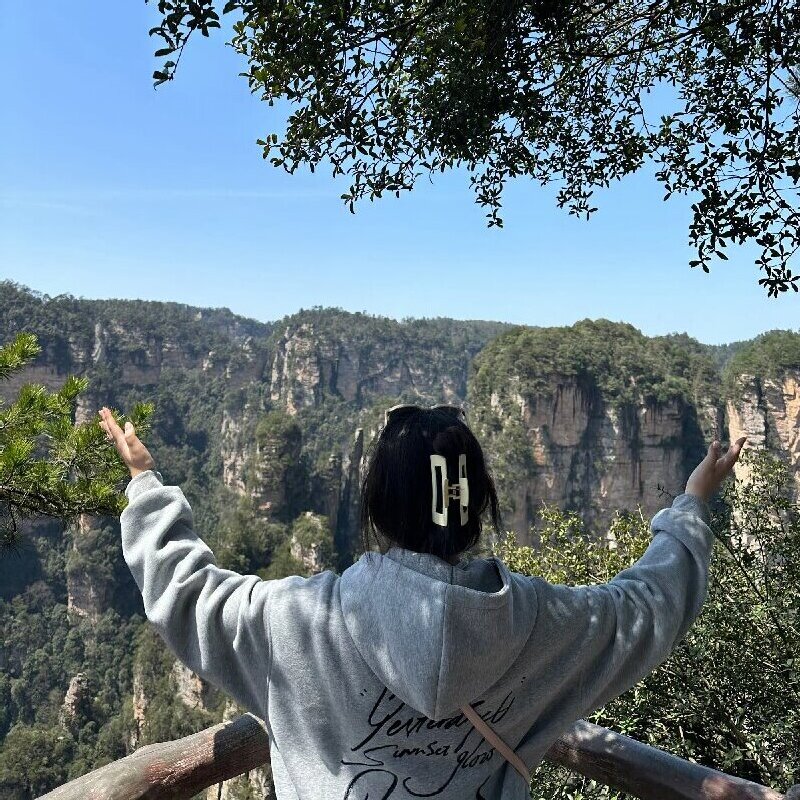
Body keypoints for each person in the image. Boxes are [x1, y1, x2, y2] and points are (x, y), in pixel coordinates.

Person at [98, 404, 747, 800]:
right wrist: (689, 507)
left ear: (377, 506)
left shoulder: (295, 621)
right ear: (480, 508)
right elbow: (649, 605)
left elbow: (185, 593)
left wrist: (147, 485)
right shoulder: (547, 628)